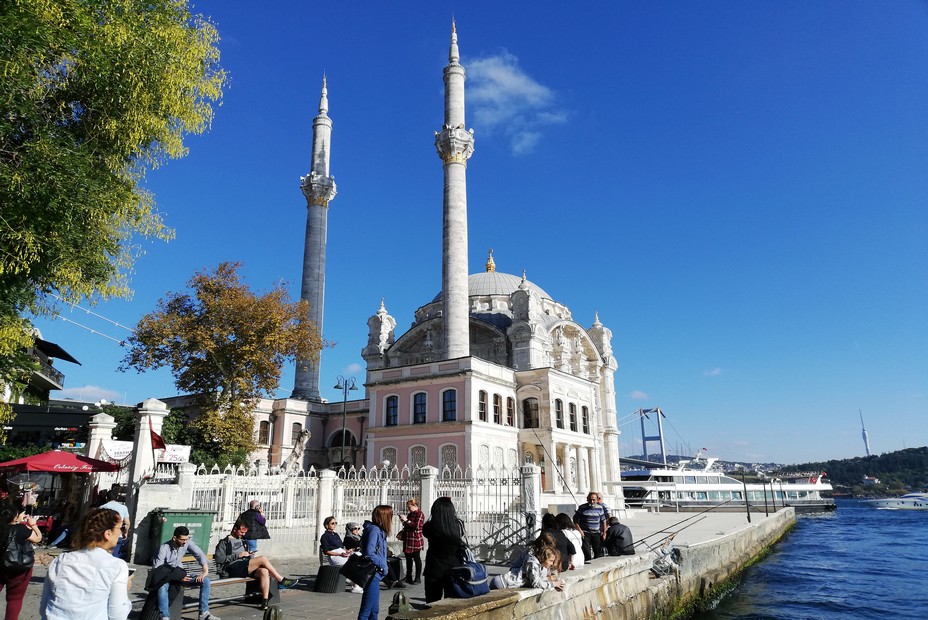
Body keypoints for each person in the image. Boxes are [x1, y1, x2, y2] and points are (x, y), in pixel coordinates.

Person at [39, 508, 132, 619]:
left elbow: (44, 608)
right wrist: (124, 588)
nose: (121, 532)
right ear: (108, 533)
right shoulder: (117, 566)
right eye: (121, 528)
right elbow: (117, 615)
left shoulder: (61, 560)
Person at [214, 520, 299, 611]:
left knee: (264, 571)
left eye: (245, 532)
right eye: (242, 532)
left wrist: (249, 555)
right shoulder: (224, 542)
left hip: (244, 566)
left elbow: (245, 558)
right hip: (231, 568)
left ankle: (265, 601)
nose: (243, 534)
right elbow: (219, 559)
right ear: (235, 529)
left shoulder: (243, 541)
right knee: (262, 559)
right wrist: (238, 555)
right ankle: (281, 580)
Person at [151, 526, 219, 620]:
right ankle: (164, 616)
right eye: (182, 540)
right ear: (175, 538)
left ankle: (204, 613)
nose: (184, 542)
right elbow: (158, 568)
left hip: (182, 576)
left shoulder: (186, 543)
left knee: (205, 580)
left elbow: (199, 554)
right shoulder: (164, 548)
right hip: (168, 578)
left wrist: (205, 569)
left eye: (186, 539)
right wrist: (177, 576)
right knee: (162, 587)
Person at [0, 499, 42, 619]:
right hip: (18, 568)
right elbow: (38, 538)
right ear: (14, 517)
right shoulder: (21, 529)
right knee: (15, 599)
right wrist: (33, 525)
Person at [421, 497, 465, 604]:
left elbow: (425, 533)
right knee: (451, 603)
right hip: (454, 568)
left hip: (434, 569)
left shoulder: (429, 526)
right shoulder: (458, 525)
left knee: (432, 603)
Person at [357, 505, 391, 620]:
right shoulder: (374, 530)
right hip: (373, 573)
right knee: (366, 610)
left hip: (376, 574)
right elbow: (369, 552)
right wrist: (382, 565)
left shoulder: (378, 530)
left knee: (374, 610)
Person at [320, 516, 362, 594]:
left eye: (335, 523)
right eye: (332, 523)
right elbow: (326, 551)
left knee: (358, 557)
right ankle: (355, 584)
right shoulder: (325, 536)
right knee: (352, 563)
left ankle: (356, 584)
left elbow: (342, 547)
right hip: (334, 556)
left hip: (342, 553)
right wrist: (340, 554)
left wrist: (348, 551)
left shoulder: (336, 535)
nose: (334, 525)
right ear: (326, 525)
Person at [573, 491, 609, 559]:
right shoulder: (582, 508)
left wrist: (604, 533)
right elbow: (575, 520)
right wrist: (580, 530)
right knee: (587, 552)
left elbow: (603, 521)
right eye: (590, 499)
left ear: (597, 499)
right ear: (587, 499)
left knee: (598, 552)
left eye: (594, 500)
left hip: (596, 533)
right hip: (585, 533)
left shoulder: (600, 508)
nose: (592, 501)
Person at [398, 498, 424, 585]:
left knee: (417, 558)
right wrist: (404, 521)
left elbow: (416, 526)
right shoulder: (410, 514)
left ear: (414, 505)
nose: (408, 508)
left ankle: (417, 577)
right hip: (408, 539)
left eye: (409, 506)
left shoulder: (419, 514)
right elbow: (408, 525)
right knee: (408, 559)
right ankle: (408, 576)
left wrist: (406, 520)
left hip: (415, 539)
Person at [99, 491, 130, 560]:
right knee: (115, 556)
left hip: (104, 535)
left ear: (106, 498)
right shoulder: (123, 507)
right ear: (117, 497)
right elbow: (127, 523)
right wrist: (125, 532)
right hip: (117, 534)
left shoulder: (102, 507)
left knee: (103, 556)